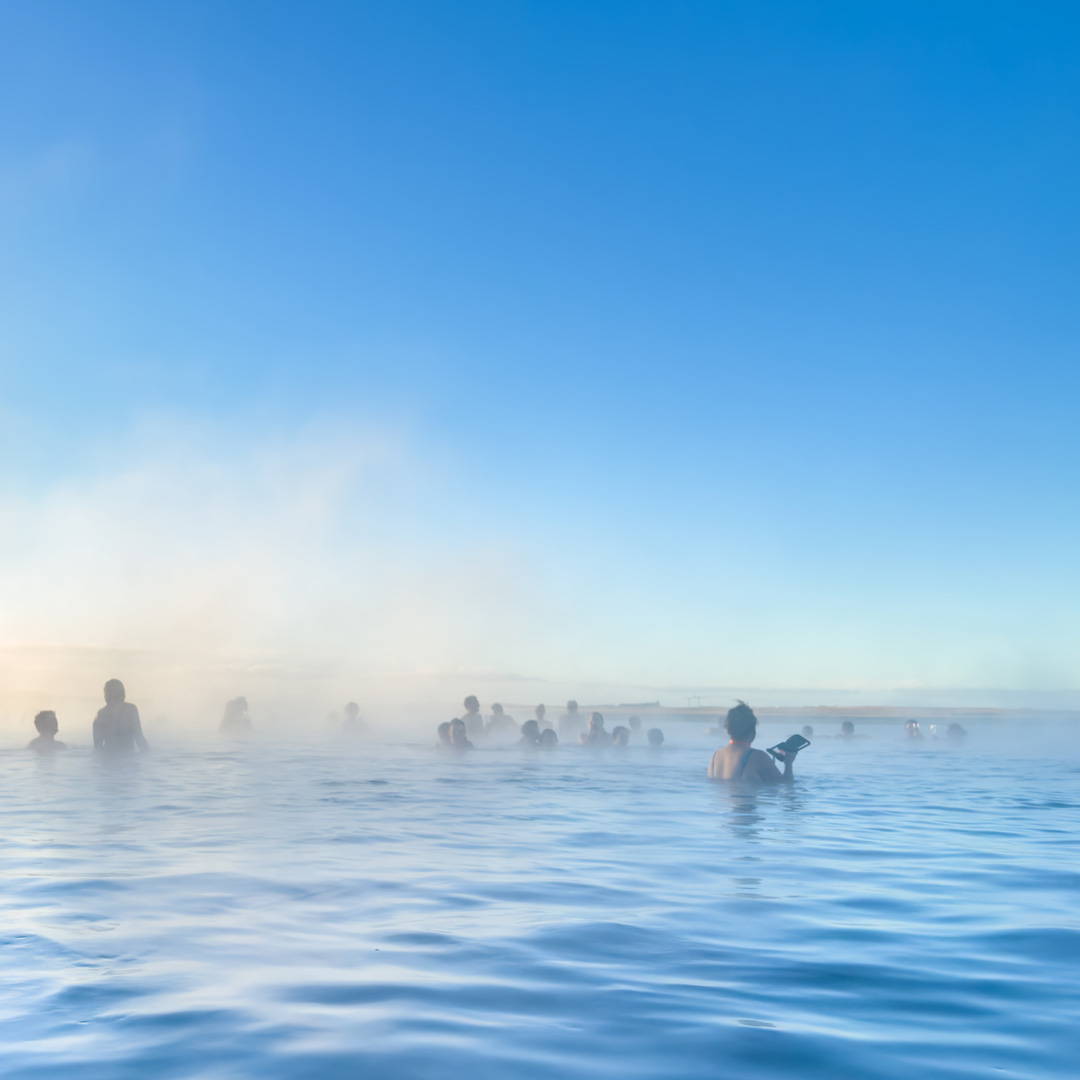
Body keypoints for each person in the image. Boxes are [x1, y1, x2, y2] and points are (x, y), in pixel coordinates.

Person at [708, 702, 796, 784]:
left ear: (728, 730)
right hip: (746, 800)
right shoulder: (758, 756)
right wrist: (788, 763)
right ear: (753, 731)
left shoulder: (715, 756)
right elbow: (785, 785)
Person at [93, 679, 149, 755]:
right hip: (129, 762)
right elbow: (140, 739)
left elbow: (98, 749)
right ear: (122, 693)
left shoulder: (100, 715)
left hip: (107, 762)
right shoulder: (130, 710)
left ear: (106, 695)